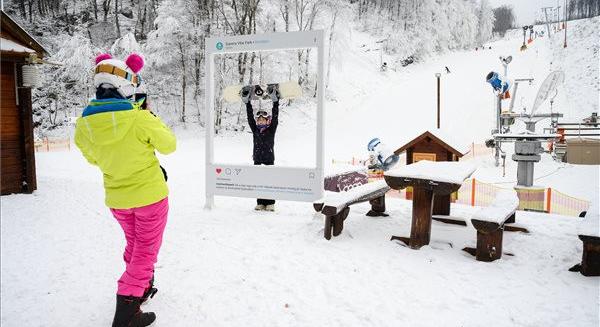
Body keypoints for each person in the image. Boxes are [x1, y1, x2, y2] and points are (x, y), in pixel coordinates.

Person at [74, 53, 176, 327]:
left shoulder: (83, 125)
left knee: (135, 245)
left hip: (118, 199)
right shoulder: (138, 118)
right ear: (127, 87)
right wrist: (149, 117)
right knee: (145, 251)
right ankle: (127, 309)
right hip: (150, 197)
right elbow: (169, 145)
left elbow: (93, 159)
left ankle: (140, 286)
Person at [242, 85, 280, 211]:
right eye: (258, 120)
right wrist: (247, 104)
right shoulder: (255, 131)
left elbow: (275, 117)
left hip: (269, 160)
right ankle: (260, 202)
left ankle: (270, 203)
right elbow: (249, 119)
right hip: (257, 159)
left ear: (267, 121)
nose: (260, 122)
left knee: (269, 181)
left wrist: (275, 102)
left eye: (262, 120)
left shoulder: (271, 130)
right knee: (258, 181)